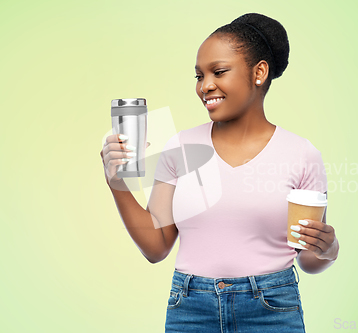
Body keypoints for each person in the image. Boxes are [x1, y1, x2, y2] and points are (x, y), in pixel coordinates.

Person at [100, 13, 339, 333]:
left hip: (271, 308)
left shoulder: (301, 154)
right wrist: (117, 183)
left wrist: (328, 250)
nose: (205, 86)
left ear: (260, 72)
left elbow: (308, 259)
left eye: (219, 72)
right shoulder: (180, 146)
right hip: (190, 308)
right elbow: (156, 247)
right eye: (199, 75)